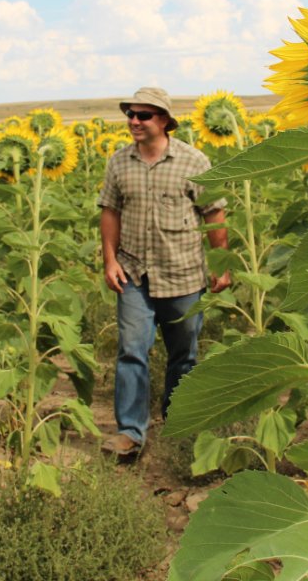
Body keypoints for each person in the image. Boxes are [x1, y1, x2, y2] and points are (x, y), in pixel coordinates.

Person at [98, 87, 231, 459]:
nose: (134, 121)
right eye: (130, 114)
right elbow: (110, 210)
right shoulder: (119, 162)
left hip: (183, 273)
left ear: (164, 121)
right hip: (133, 273)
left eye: (143, 115)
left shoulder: (194, 161)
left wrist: (221, 262)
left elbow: (213, 213)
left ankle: (177, 420)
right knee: (131, 351)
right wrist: (110, 260)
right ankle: (130, 432)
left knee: (183, 355)